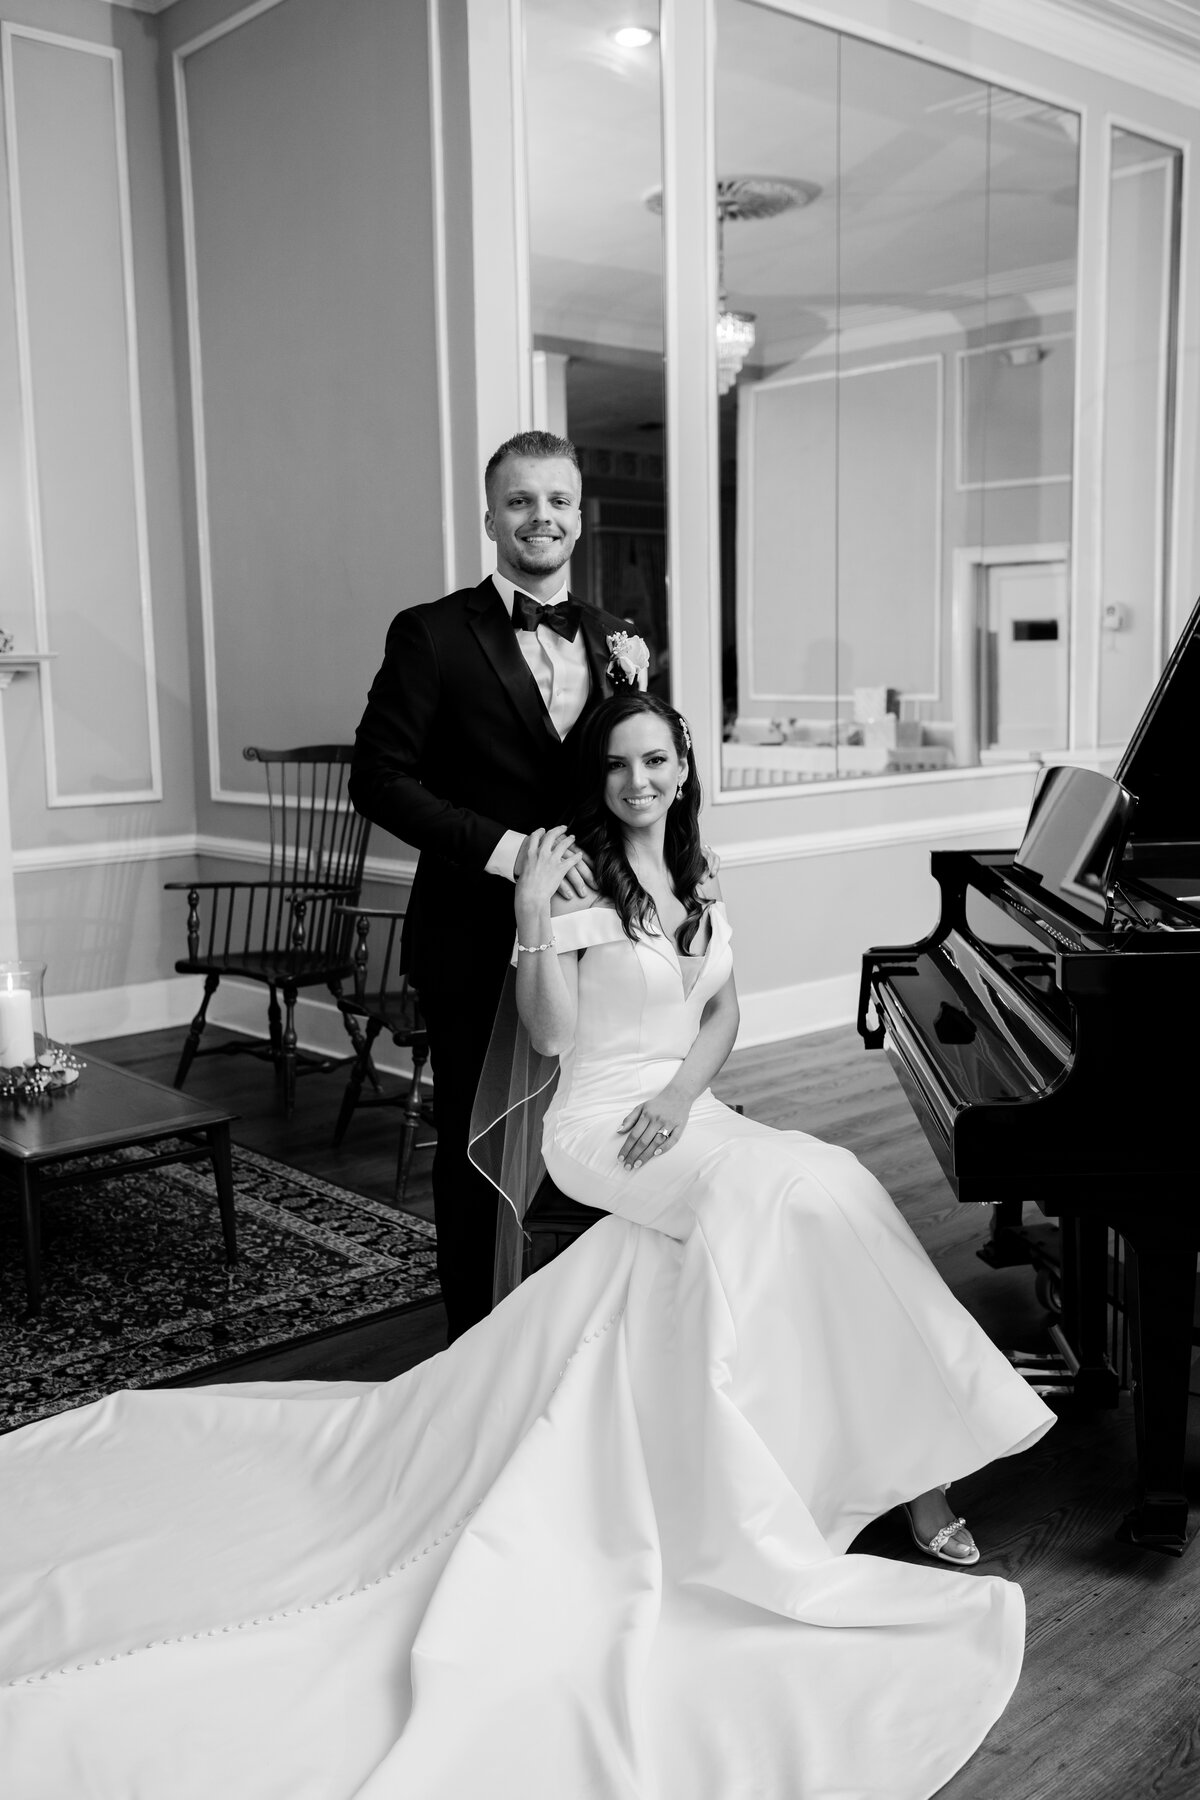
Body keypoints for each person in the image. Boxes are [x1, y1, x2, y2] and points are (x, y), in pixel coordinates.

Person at [0, 690, 1056, 1799]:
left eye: (656, 761)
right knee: (784, 1199)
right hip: (597, 1124)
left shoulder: (695, 873)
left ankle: (882, 1460)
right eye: (617, 766)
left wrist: (688, 1100)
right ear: (597, 781)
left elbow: (724, 1015)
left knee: (826, 1179)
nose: (638, 781)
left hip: (682, 1109)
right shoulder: (578, 878)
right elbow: (553, 1037)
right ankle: (877, 1477)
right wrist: (535, 918)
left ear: (684, 766)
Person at [349, 429, 637, 1340]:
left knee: (585, 1127)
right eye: (520, 501)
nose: (539, 517)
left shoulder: (610, 635)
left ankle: (581, 1330)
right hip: (472, 933)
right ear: (489, 518)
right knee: (478, 1151)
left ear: (579, 520)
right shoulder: (430, 633)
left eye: (556, 501)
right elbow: (379, 780)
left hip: (596, 939)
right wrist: (514, 853)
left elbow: (631, 774)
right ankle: (475, 1343)